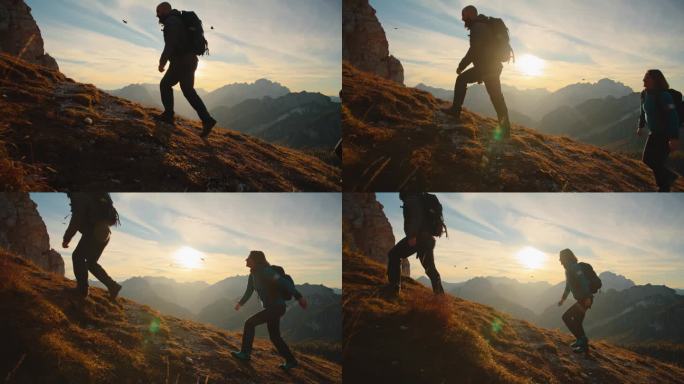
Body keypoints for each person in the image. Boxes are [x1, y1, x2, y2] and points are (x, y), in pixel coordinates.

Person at [442, 5, 511, 140]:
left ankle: (456, 111)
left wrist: (461, 66)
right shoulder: (483, 24)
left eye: (463, 15)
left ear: (470, 14)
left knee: (464, 81)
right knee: (497, 97)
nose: (462, 19)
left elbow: (473, 51)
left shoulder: (478, 27)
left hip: (488, 67)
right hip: (490, 66)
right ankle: (505, 130)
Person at [231, 251, 308, 371]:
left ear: (255, 260)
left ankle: (245, 354)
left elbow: (284, 283)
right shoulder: (252, 275)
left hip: (277, 307)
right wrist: (240, 304)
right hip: (271, 308)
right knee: (275, 336)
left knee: (249, 323)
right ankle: (291, 361)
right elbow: (249, 292)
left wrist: (299, 296)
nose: (245, 260)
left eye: (248, 258)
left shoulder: (266, 271)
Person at [155, 2, 217, 138]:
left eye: (158, 11)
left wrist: (162, 63)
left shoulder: (172, 22)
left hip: (181, 61)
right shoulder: (179, 20)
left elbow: (170, 44)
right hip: (191, 61)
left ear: (165, 10)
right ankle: (207, 120)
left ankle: (168, 115)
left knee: (165, 84)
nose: (157, 15)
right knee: (188, 91)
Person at [63, 193, 122, 301]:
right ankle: (113, 286)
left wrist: (67, 238)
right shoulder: (95, 194)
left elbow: (76, 219)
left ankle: (82, 290)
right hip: (105, 233)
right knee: (91, 263)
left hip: (94, 232)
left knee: (77, 256)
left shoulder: (80, 195)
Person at [386, 193, 445, 296]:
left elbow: (416, 217)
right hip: (428, 239)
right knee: (430, 268)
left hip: (418, 237)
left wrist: (412, 236)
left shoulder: (411, 198)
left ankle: (394, 289)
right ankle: (440, 297)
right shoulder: (421, 198)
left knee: (394, 254)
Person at [637, 69, 680, 192]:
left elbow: (673, 116)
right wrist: (640, 126)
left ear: (655, 80)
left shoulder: (664, 96)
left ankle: (664, 186)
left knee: (656, 161)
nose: (643, 80)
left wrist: (674, 137)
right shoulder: (644, 94)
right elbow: (643, 112)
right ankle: (668, 179)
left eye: (647, 78)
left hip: (665, 135)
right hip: (654, 133)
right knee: (647, 160)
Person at [557, 249, 593, 354]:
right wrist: (563, 299)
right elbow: (568, 286)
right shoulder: (568, 269)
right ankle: (583, 345)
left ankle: (582, 341)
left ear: (565, 257)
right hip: (583, 299)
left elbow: (583, 281)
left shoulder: (574, 267)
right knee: (577, 321)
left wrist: (587, 297)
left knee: (566, 317)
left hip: (585, 299)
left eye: (561, 258)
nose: (559, 260)